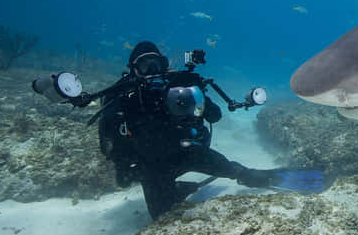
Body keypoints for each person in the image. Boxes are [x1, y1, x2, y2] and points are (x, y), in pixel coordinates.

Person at [81, 41, 322, 219]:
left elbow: (215, 116)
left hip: (190, 152)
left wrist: (195, 97)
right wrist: (127, 167)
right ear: (133, 70)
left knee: (242, 172)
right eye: (145, 67)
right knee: (162, 218)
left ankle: (282, 177)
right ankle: (181, 190)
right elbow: (109, 144)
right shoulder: (123, 97)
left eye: (158, 64)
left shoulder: (180, 87)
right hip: (151, 167)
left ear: (165, 65)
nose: (153, 71)